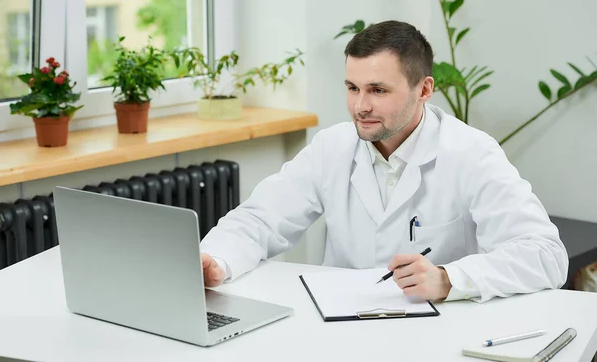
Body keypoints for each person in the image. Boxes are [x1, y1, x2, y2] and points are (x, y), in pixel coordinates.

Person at [199, 20, 568, 303]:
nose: (361, 106)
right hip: (338, 324)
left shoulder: (471, 152)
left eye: (378, 90)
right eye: (352, 88)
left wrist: (449, 278)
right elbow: (260, 219)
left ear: (423, 89)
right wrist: (217, 260)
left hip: (437, 330)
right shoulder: (333, 147)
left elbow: (546, 255)